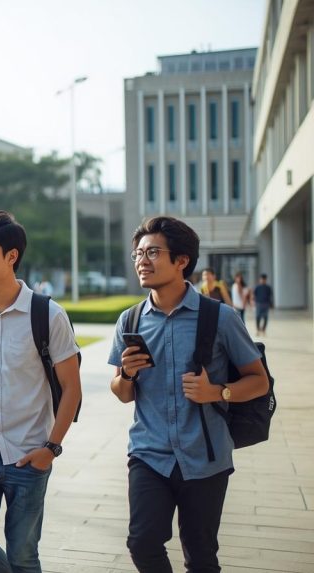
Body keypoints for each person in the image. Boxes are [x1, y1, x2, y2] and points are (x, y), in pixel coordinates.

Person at [109, 216, 269, 572]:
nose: (141, 261)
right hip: (149, 454)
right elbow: (121, 392)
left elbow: (259, 381)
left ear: (182, 261)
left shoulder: (220, 318)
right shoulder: (130, 321)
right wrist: (128, 374)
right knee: (142, 543)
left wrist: (217, 391)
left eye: (152, 252)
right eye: (138, 253)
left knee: (200, 556)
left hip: (205, 456)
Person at [0, 211, 82, 573]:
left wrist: (51, 448)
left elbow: (72, 387)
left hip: (28, 452)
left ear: (11, 256)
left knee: (24, 556)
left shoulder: (48, 314)